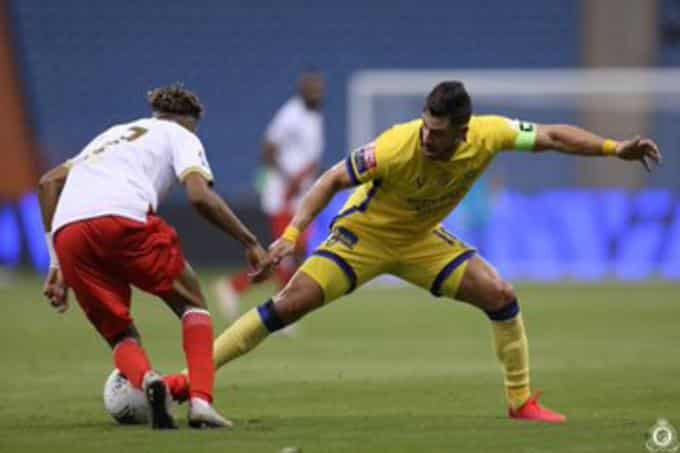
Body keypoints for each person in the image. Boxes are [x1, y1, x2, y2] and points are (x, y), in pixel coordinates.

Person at [174, 81, 662, 423]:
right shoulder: (395, 145)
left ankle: (521, 403)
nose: (427, 136)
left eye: (438, 131)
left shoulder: (490, 133)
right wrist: (292, 234)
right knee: (287, 305)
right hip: (362, 238)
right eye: (425, 127)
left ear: (463, 131)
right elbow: (333, 179)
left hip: (421, 241)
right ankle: (187, 380)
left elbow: (553, 136)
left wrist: (613, 148)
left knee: (500, 294)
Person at [37, 84, 272, 430]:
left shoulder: (112, 135)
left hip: (69, 234)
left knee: (119, 333)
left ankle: (147, 380)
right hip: (123, 218)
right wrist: (250, 241)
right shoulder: (181, 135)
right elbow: (199, 196)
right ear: (189, 122)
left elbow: (47, 183)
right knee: (193, 303)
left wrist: (56, 263)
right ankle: (201, 403)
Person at [214, 71, 325, 323]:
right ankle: (240, 289)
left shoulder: (314, 117)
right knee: (285, 253)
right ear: (302, 88)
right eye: (312, 88)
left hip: (301, 196)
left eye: (320, 88)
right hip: (284, 195)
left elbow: (309, 158)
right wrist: (289, 180)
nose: (317, 92)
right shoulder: (291, 114)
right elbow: (268, 149)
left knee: (296, 254)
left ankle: (271, 302)